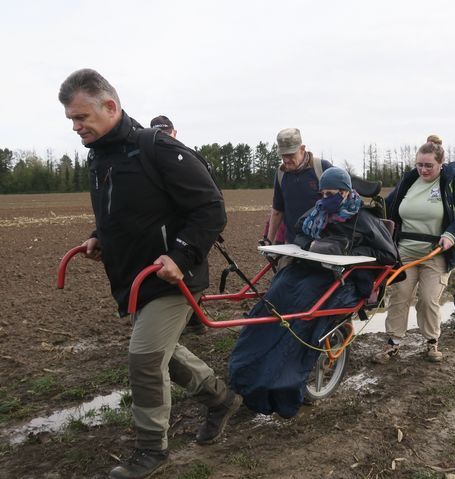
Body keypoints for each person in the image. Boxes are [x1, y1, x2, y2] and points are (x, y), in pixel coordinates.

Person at [58, 69, 240, 479]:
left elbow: (211, 208)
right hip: (133, 276)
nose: (76, 126)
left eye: (81, 117)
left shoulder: (156, 149)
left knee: (143, 357)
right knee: (164, 353)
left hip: (171, 277)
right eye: (71, 119)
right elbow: (120, 211)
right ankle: (221, 400)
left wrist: (181, 254)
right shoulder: (100, 156)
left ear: (110, 106)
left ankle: (151, 450)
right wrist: (96, 237)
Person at [229, 167, 398, 417]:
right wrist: (311, 246)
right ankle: (245, 368)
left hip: (343, 279)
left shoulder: (364, 219)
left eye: (331, 193)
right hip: (308, 270)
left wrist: (346, 253)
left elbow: (389, 256)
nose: (325, 197)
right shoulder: (317, 213)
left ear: (345, 192)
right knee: (275, 298)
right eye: (323, 193)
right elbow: (299, 236)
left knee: (302, 314)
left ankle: (280, 382)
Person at [375, 136, 455, 363]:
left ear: (441, 163)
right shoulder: (409, 180)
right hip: (405, 250)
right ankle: (394, 342)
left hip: (436, 251)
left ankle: (431, 341)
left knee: (428, 299)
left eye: (429, 165)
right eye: (419, 164)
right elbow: (387, 206)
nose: (423, 169)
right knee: (399, 296)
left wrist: (451, 234)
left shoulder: (451, 181)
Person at [150, 115, 206, 335]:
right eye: (159, 134)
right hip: (162, 228)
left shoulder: (190, 158)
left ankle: (193, 320)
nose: (164, 138)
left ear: (175, 133)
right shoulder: (149, 160)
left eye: (166, 133)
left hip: (189, 227)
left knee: (191, 272)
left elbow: (210, 201)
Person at [266, 128, 332, 244]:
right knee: (286, 263)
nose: (286, 160)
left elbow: (343, 200)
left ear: (302, 149)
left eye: (290, 155)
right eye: (283, 155)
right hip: (292, 245)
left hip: (322, 245)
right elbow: (277, 210)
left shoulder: (322, 169)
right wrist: (268, 241)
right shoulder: (281, 174)